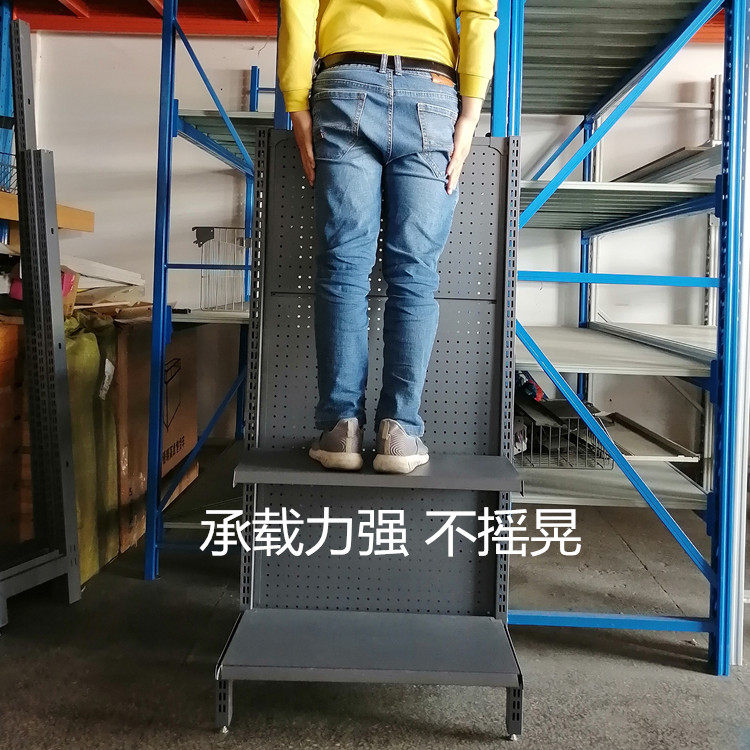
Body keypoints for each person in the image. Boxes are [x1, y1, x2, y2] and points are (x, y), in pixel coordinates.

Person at [278, 0, 499, 474]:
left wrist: (296, 102)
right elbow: (479, 14)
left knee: (343, 270)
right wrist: (470, 113)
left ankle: (340, 429)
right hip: (431, 92)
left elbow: (297, 6)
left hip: (345, 83)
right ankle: (399, 432)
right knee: (415, 274)